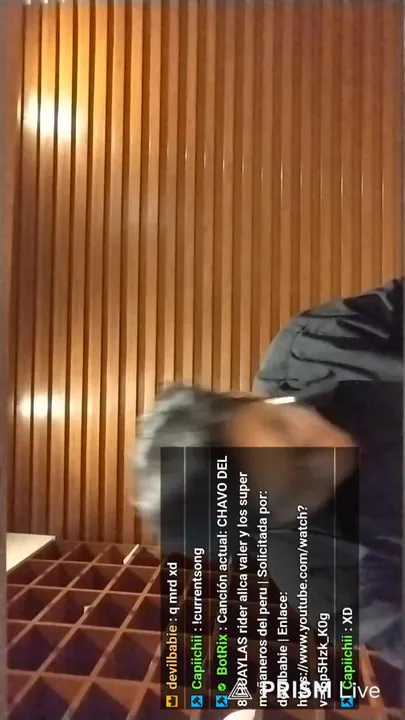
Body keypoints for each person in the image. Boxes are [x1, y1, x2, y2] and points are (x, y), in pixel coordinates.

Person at [132, 278, 403, 673]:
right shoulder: (328, 585)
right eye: (299, 484)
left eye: (284, 429)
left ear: (244, 398)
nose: (329, 452)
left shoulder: (316, 344)